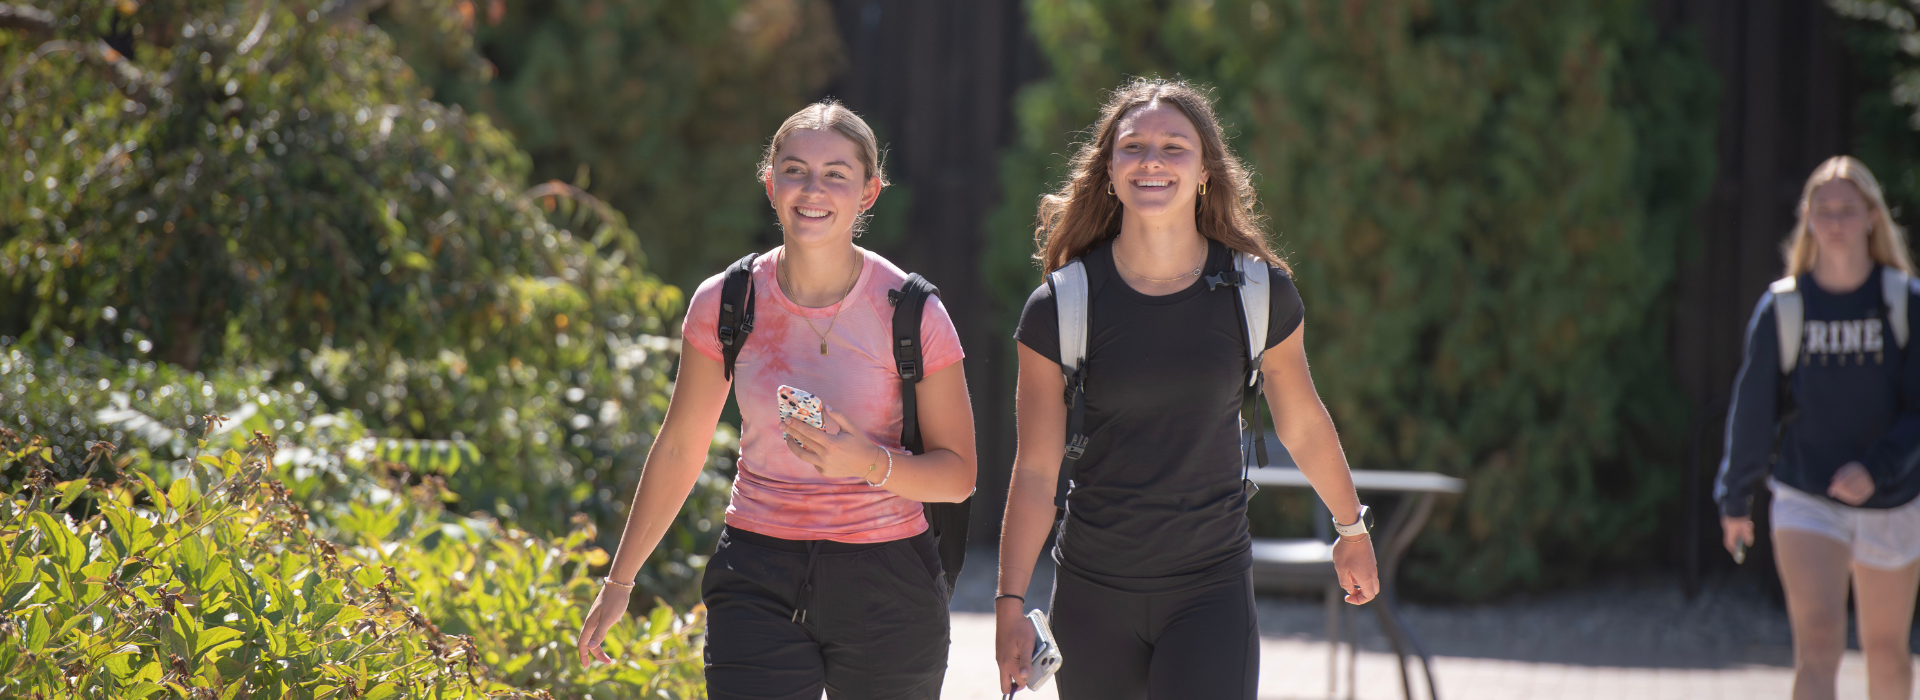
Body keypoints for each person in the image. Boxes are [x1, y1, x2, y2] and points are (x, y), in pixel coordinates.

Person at [575, 99, 977, 700]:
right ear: (771, 185)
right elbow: (682, 446)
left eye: (836, 174)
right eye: (795, 170)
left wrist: (866, 463)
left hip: (888, 578)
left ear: (868, 193)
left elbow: (959, 476)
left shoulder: (913, 312)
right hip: (757, 572)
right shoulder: (727, 303)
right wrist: (619, 582)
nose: (813, 189)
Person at [992, 78, 1380, 700]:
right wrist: (1009, 601)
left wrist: (1351, 530)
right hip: (1093, 596)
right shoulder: (1059, 306)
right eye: (1133, 147)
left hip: (1211, 591)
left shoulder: (1258, 293)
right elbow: (1036, 469)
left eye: (1174, 146)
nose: (1152, 160)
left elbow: (1302, 422)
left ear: (1205, 171)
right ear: (1109, 171)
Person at [1718, 155, 1920, 700]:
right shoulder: (1783, 307)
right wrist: (1735, 499)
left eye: (1847, 210)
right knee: (1819, 643)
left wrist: (1876, 470)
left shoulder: (1903, 301)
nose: (1835, 222)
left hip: (1893, 500)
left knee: (1885, 649)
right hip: (1808, 493)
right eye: (1823, 210)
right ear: (1806, 217)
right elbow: (1753, 408)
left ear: (1873, 217)